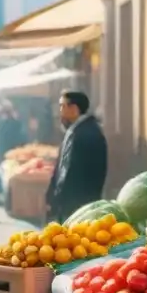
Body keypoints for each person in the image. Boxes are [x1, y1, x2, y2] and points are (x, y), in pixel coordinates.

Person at [46, 90, 108, 223]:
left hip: (78, 207)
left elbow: (71, 172)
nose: (59, 112)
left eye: (62, 106)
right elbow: (61, 167)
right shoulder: (76, 131)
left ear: (74, 109)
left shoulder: (87, 133)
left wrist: (58, 200)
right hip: (71, 205)